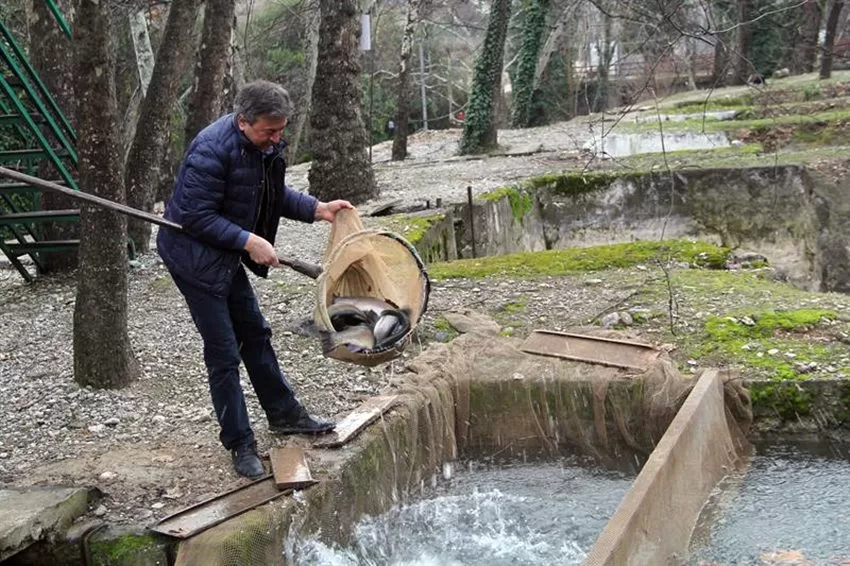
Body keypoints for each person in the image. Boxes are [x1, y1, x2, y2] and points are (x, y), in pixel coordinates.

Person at [156, 80, 353, 479]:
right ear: (243, 122)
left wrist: (318, 209)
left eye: (281, 130)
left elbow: (269, 193)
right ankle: (240, 443)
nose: (277, 139)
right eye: (270, 131)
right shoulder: (210, 151)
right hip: (193, 259)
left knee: (256, 334)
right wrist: (249, 241)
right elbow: (195, 216)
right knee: (224, 351)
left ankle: (285, 415)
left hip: (225, 256)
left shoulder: (263, 145)